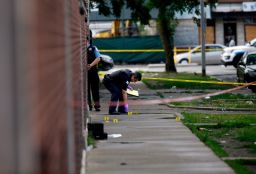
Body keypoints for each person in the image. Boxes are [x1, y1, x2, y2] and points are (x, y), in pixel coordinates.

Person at [87, 30, 101, 111]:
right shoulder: (81, 49)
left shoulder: (94, 48)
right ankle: (89, 105)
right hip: (85, 73)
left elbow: (98, 58)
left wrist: (90, 65)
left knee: (95, 89)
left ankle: (97, 105)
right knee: (86, 90)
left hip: (93, 72)